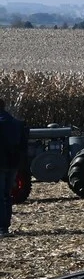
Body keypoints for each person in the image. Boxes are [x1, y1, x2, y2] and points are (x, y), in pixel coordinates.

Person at [0, 96, 28, 238]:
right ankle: (4, 226)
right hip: (13, 164)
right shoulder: (17, 123)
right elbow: (24, 146)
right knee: (6, 195)